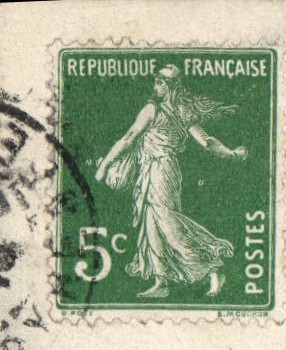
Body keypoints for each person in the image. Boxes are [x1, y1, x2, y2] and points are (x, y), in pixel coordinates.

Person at [95, 65, 246, 298]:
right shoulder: (182, 110)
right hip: (153, 170)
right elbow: (207, 141)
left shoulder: (153, 110)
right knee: (151, 224)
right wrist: (232, 153)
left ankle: (213, 267)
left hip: (161, 170)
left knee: (168, 223)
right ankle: (161, 280)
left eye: (159, 82)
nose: (155, 87)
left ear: (168, 86)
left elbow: (129, 138)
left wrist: (104, 166)